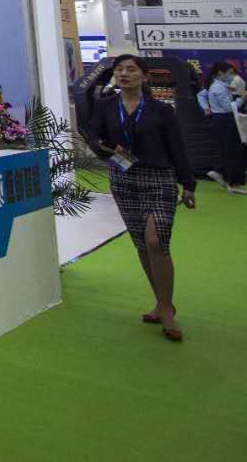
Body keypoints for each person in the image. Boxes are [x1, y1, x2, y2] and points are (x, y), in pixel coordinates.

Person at [85, 53, 196, 342]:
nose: (124, 74)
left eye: (131, 69)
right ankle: (162, 302)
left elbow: (177, 147)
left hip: (159, 178)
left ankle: (167, 309)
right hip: (123, 179)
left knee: (156, 240)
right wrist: (105, 148)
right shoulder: (105, 106)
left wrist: (188, 184)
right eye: (119, 70)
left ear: (144, 76)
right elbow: (93, 136)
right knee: (142, 244)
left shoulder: (162, 111)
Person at [200, 62, 246, 193]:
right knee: (233, 151)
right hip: (224, 119)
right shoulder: (218, 88)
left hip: (221, 120)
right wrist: (242, 99)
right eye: (230, 73)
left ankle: (221, 171)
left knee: (230, 150)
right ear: (220, 73)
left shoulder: (219, 86)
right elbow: (228, 107)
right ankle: (233, 183)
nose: (232, 76)